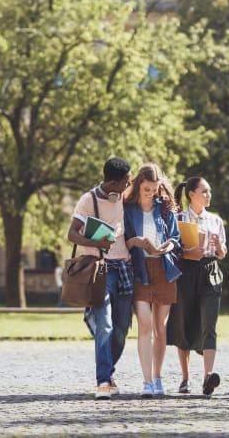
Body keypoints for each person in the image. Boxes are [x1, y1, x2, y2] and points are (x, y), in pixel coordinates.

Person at [67, 157, 133, 400]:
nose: (129, 184)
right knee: (104, 325)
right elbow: (72, 234)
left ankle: (109, 371)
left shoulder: (125, 196)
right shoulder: (88, 200)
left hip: (124, 268)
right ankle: (103, 381)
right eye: (126, 181)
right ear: (113, 182)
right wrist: (96, 243)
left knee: (120, 330)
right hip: (100, 269)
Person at [123, 163, 181, 398]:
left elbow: (176, 238)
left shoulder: (165, 208)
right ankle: (147, 381)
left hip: (164, 269)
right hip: (139, 271)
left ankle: (158, 377)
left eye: (155, 189)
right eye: (147, 189)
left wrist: (169, 245)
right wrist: (133, 242)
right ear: (138, 185)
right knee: (145, 325)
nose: (151, 194)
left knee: (160, 327)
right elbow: (121, 241)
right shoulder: (127, 209)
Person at [167, 177, 227, 397]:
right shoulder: (178, 219)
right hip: (186, 273)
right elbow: (172, 250)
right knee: (183, 322)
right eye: (204, 191)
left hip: (211, 271)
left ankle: (208, 377)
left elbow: (223, 254)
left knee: (209, 325)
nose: (209, 195)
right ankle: (185, 378)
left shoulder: (216, 221)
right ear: (191, 194)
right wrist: (187, 252)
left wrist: (218, 246)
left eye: (209, 191)